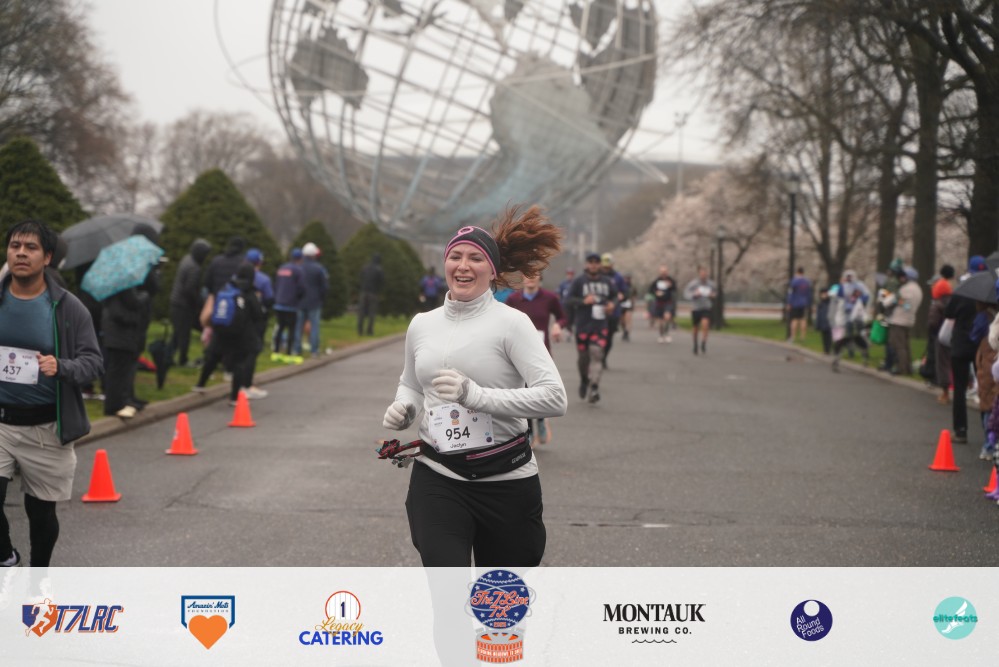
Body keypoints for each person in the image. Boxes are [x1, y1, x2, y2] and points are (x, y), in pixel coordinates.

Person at [380, 205, 566, 567]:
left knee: (499, 600)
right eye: (455, 256)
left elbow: (554, 398)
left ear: (492, 270)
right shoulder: (422, 324)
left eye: (475, 258)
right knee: (447, 590)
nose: (463, 265)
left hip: (506, 480)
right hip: (439, 476)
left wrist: (475, 396)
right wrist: (406, 408)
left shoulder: (513, 324)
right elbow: (411, 384)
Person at [0, 220, 103, 567]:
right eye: (15, 246)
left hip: (47, 427)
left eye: (30, 248)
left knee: (41, 512)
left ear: (47, 258)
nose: (21, 253)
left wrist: (61, 366)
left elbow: (94, 362)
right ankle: (6, 556)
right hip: (1, 422)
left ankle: (39, 578)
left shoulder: (68, 307)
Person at [505, 272, 568, 444]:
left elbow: (562, 317)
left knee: (539, 387)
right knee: (524, 390)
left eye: (535, 274)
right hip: (518, 352)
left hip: (542, 351)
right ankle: (530, 430)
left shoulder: (550, 298)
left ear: (540, 278)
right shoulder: (513, 299)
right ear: (522, 278)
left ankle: (540, 419)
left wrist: (557, 325)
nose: (531, 278)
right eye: (527, 274)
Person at [194, 262, 265, 404]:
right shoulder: (249, 292)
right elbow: (258, 314)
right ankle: (234, 397)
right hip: (240, 334)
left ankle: (200, 384)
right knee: (239, 363)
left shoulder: (227, 287)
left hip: (221, 330)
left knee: (213, 357)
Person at [944, 255, 989, 444]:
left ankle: (961, 430)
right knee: (985, 388)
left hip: (961, 344)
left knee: (960, 389)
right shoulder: (989, 291)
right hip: (981, 346)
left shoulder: (963, 290)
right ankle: (988, 432)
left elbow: (948, 312)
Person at [566, 252, 618, 403]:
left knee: (597, 354)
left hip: (600, 325)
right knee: (583, 358)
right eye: (591, 262)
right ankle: (584, 380)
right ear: (586, 264)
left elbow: (615, 296)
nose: (594, 265)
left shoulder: (607, 281)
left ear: (600, 265)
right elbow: (568, 300)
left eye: (596, 262)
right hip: (582, 325)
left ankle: (594, 386)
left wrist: (612, 304)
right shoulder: (579, 282)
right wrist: (583, 301)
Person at [169, 238, 211, 367]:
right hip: (183, 305)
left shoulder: (186, 259)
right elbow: (190, 289)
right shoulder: (194, 267)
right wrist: (199, 303)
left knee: (177, 333)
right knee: (184, 334)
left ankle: (168, 356)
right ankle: (183, 360)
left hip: (175, 302)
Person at [883, 266, 923, 376]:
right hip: (909, 320)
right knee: (905, 345)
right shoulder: (918, 289)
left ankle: (902, 368)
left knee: (898, 345)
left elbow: (890, 301)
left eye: (902, 276)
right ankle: (908, 368)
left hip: (899, 320)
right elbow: (908, 305)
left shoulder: (905, 289)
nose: (900, 278)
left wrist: (890, 299)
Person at [244, 248, 273, 399]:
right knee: (252, 351)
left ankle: (236, 380)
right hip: (256, 320)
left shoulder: (236, 276)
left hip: (239, 319)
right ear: (259, 263)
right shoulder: (263, 279)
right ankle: (247, 384)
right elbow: (269, 299)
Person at [295, 242, 328, 357]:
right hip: (314, 301)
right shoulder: (319, 268)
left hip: (300, 301)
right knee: (314, 326)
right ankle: (314, 350)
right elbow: (324, 286)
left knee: (298, 326)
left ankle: (297, 349)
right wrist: (322, 298)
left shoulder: (298, 267)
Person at [927, 267, 954, 405]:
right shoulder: (953, 302)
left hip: (941, 336)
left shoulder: (937, 304)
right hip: (954, 336)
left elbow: (932, 322)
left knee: (942, 364)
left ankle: (945, 393)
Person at [272, 248, 305, 359]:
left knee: (280, 327)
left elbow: (276, 284)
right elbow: (301, 288)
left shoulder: (282, 268)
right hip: (291, 305)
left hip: (279, 303)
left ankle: (276, 351)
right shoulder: (298, 270)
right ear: (300, 258)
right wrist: (298, 298)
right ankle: (289, 353)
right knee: (292, 329)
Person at [599, 253, 626, 367]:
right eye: (604, 266)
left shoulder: (618, 277)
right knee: (598, 336)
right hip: (598, 312)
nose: (606, 268)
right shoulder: (596, 276)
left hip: (613, 312)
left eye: (608, 266)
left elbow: (625, 292)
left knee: (609, 337)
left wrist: (622, 295)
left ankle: (604, 357)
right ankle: (596, 357)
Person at [683, 266, 716, 355]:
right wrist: (694, 294)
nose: (703, 275)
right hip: (696, 308)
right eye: (702, 273)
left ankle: (703, 343)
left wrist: (712, 295)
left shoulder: (711, 284)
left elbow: (715, 293)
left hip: (706, 307)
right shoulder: (693, 284)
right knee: (695, 327)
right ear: (699, 274)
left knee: (705, 324)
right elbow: (686, 294)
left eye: (705, 273)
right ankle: (695, 344)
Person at [647, 264, 677, 343]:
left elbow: (675, 289)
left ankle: (666, 333)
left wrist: (670, 286)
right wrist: (656, 293)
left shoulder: (671, 280)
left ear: (667, 272)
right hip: (659, 302)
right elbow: (650, 290)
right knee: (660, 321)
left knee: (667, 317)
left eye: (665, 271)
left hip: (668, 302)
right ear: (660, 272)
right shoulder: (656, 281)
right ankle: (661, 335)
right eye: (662, 271)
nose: (663, 273)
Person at [357, 253, 384, 336]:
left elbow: (360, 277)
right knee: (372, 313)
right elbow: (382, 282)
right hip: (373, 293)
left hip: (364, 292)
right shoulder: (379, 270)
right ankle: (369, 330)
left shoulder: (365, 268)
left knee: (361, 312)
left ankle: (360, 330)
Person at [786, 266, 812, 343]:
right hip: (804, 303)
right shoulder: (807, 282)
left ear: (797, 272)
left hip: (795, 303)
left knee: (794, 320)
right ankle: (802, 337)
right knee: (803, 320)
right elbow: (809, 293)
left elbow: (790, 293)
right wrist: (808, 302)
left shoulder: (794, 281)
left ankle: (793, 337)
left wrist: (789, 303)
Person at [815, 286, 833, 355]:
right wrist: (818, 324)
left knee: (829, 336)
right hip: (823, 323)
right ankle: (825, 350)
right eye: (822, 294)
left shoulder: (830, 303)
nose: (824, 295)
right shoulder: (821, 304)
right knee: (824, 337)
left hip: (829, 322)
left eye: (825, 294)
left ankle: (828, 350)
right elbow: (819, 315)